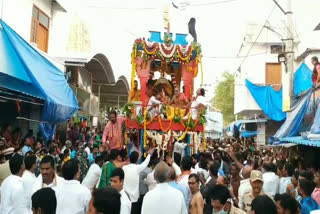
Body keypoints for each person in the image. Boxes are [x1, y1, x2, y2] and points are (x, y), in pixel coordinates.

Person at [123, 148, 154, 214]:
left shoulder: (124, 168)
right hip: (134, 199)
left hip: (125, 197)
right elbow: (145, 163)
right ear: (137, 159)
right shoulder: (137, 168)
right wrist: (149, 154)